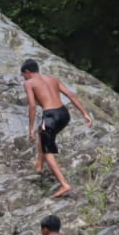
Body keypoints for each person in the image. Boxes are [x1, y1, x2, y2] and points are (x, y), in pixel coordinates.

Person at [20, 58, 93, 198]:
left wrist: (30, 128)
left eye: (23, 75)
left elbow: (33, 106)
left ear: (28, 72)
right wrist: (85, 113)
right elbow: (70, 95)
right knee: (43, 133)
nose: (24, 77)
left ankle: (64, 184)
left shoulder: (29, 83)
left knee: (48, 151)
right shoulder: (52, 79)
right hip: (64, 114)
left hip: (51, 115)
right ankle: (39, 165)